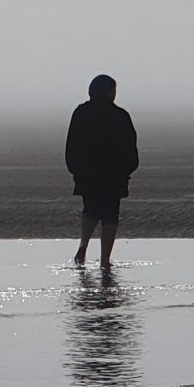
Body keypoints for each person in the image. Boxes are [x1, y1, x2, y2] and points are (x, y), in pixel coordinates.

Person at [64, 74, 138, 265]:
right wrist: (128, 169)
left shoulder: (81, 113)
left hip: (87, 173)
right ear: (109, 92)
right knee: (110, 215)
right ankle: (105, 259)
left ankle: (83, 248)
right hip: (113, 175)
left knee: (90, 210)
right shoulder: (120, 115)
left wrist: (75, 169)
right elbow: (130, 146)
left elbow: (72, 143)